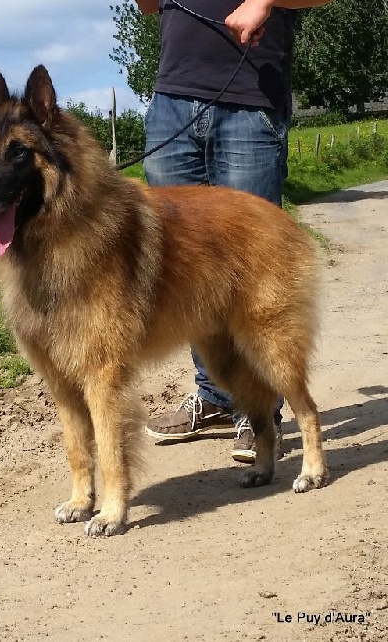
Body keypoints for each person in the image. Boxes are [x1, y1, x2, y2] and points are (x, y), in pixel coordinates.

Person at [134, 0, 334, 462]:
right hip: (172, 100)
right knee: (189, 279)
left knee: (257, 286)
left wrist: (262, 2)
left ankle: (261, 416)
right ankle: (216, 398)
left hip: (248, 100)